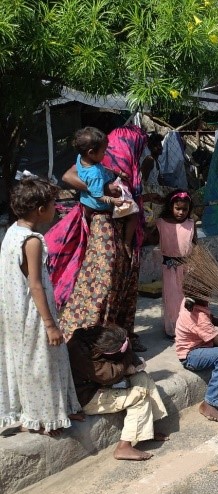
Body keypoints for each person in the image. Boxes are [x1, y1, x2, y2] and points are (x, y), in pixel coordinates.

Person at [48, 125, 149, 350]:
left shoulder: (112, 158)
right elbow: (68, 176)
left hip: (124, 228)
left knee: (122, 282)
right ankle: (96, 338)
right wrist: (99, 189)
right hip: (106, 227)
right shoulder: (106, 156)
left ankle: (120, 337)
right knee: (105, 280)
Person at [0, 177, 82, 436]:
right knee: (41, 364)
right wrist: (50, 325)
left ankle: (46, 412)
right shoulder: (32, 240)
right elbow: (35, 284)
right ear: (40, 209)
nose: (56, 208)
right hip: (33, 315)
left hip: (15, 312)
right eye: (53, 204)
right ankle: (43, 418)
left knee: (29, 362)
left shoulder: (12, 232)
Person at [67, 324, 168, 461]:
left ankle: (146, 429)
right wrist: (127, 356)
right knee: (140, 395)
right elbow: (110, 375)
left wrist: (128, 352)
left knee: (142, 378)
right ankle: (123, 447)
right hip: (87, 397)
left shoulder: (100, 337)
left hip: (98, 385)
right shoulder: (80, 354)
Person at [155, 190, 196, 337]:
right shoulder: (161, 223)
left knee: (186, 297)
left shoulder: (190, 224)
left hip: (187, 267)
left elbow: (195, 244)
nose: (181, 212)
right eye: (178, 208)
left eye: (185, 209)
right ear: (170, 206)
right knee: (172, 299)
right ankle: (172, 328)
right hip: (169, 268)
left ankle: (187, 327)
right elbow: (152, 239)